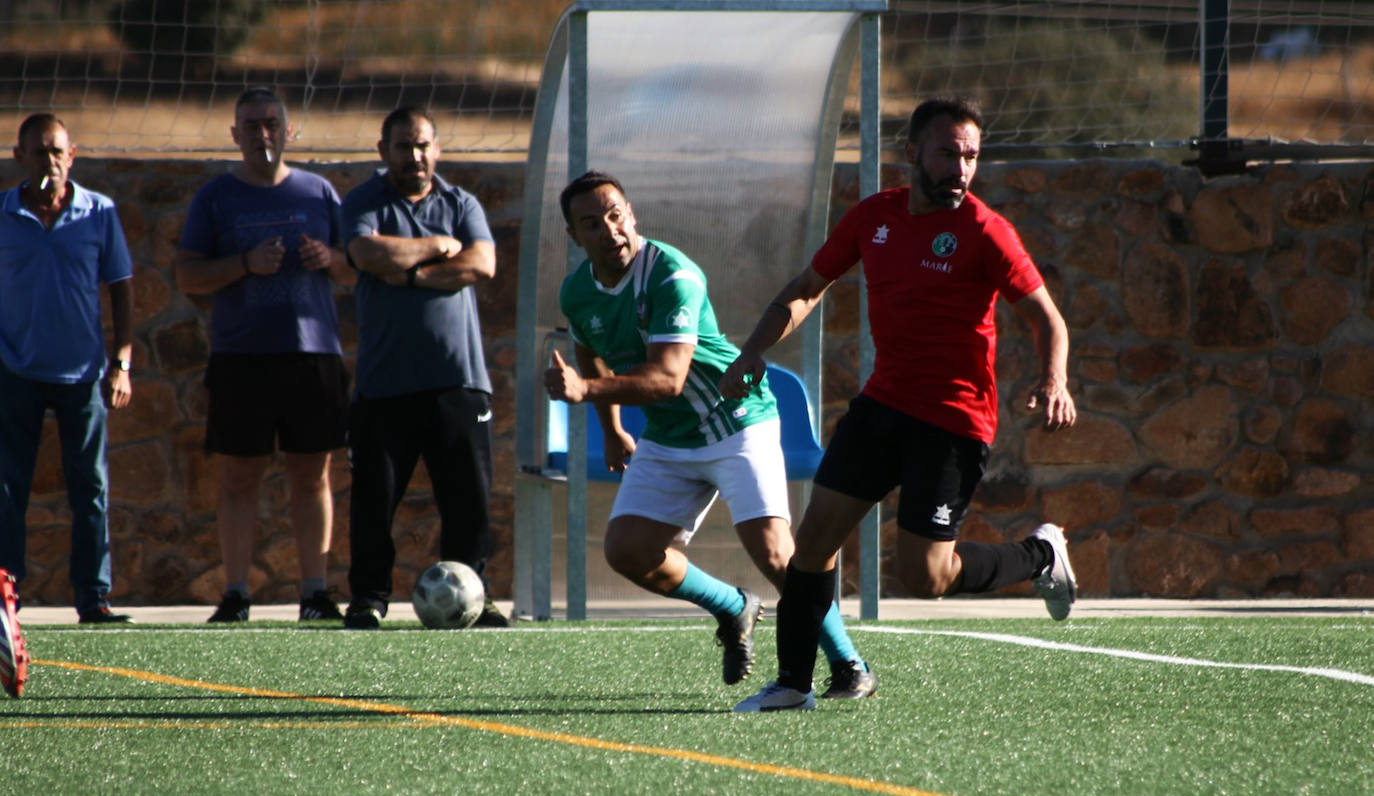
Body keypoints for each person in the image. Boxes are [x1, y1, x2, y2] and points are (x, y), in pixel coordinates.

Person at [724, 98, 1078, 712]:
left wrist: (1055, 380)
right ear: (912, 153)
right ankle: (793, 684)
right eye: (948, 153)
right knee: (814, 541)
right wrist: (753, 349)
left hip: (953, 421)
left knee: (927, 578)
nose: (961, 169)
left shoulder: (987, 231)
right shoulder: (875, 217)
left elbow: (1048, 318)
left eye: (970, 156)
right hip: (883, 407)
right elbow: (807, 289)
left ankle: (1041, 553)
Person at [544, 171, 875, 697]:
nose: (610, 230)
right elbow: (590, 346)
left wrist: (585, 391)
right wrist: (610, 430)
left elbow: (668, 378)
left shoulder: (673, 274)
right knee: (628, 551)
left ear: (633, 216)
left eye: (615, 215)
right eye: (591, 223)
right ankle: (732, 606)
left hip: (735, 421)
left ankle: (849, 664)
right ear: (574, 236)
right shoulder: (578, 291)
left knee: (775, 554)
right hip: (670, 438)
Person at [176, 88, 354, 623]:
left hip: (311, 353)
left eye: (272, 123)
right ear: (235, 135)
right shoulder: (215, 199)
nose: (263, 135)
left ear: (289, 130)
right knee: (239, 477)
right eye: (251, 126)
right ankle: (235, 593)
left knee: (312, 474)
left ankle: (315, 593)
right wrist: (245, 264)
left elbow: (355, 266)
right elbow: (188, 275)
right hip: (242, 356)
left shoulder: (319, 192)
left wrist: (330, 257)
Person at [340, 106, 503, 630]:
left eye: (424, 145)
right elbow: (367, 253)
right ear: (383, 151)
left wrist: (408, 275)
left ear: (437, 148)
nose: (415, 156)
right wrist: (436, 248)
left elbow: (481, 263)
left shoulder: (461, 202)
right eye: (404, 146)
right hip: (385, 384)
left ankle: (474, 593)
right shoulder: (364, 202)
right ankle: (368, 597)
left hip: (459, 381)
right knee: (374, 499)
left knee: (469, 501)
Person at [0, 113, 136, 623]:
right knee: (8, 488)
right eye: (38, 152)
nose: (49, 162)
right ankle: (5, 596)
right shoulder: (3, 215)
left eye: (57, 152)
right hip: (15, 370)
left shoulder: (99, 213)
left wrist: (122, 362)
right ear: (19, 158)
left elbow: (121, 287)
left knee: (91, 490)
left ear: (72, 156)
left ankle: (93, 597)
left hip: (82, 375)